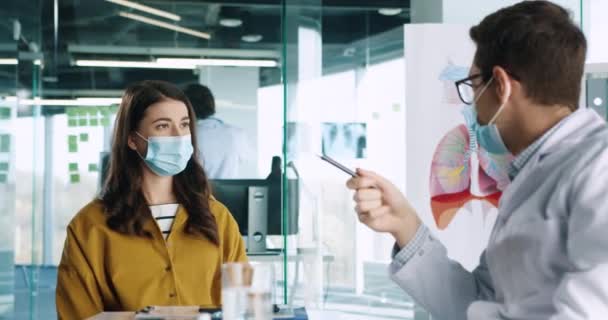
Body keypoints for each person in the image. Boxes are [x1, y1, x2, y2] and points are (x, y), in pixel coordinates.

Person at [347, 1, 608, 319]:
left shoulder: (599, 166)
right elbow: (477, 303)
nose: (473, 108)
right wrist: (404, 224)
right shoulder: (533, 174)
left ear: (501, 85)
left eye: (472, 86)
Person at [56, 81, 247, 319]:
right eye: (163, 126)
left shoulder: (217, 218)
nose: (178, 136)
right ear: (132, 139)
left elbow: (241, 307)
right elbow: (77, 315)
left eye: (185, 124)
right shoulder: (89, 227)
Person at [183, 84, 250, 179]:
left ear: (187, 107)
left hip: (195, 191)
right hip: (230, 192)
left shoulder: (186, 135)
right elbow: (243, 160)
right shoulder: (237, 133)